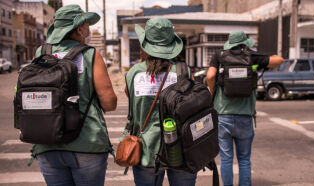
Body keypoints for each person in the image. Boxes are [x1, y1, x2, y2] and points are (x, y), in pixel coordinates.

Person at [32, 5, 117, 186]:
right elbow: (109, 103)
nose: (89, 28)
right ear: (79, 28)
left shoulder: (41, 52)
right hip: (87, 143)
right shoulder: (90, 54)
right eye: (87, 24)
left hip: (46, 142)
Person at [125, 17, 197, 186]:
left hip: (147, 151)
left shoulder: (133, 73)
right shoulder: (183, 71)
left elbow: (133, 107)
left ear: (146, 44)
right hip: (181, 150)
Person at [206, 31, 284, 186]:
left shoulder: (219, 56)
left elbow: (210, 76)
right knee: (244, 159)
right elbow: (279, 60)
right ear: (244, 44)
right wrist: (259, 57)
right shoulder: (251, 57)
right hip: (245, 116)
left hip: (223, 116)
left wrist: (211, 91)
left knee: (226, 159)